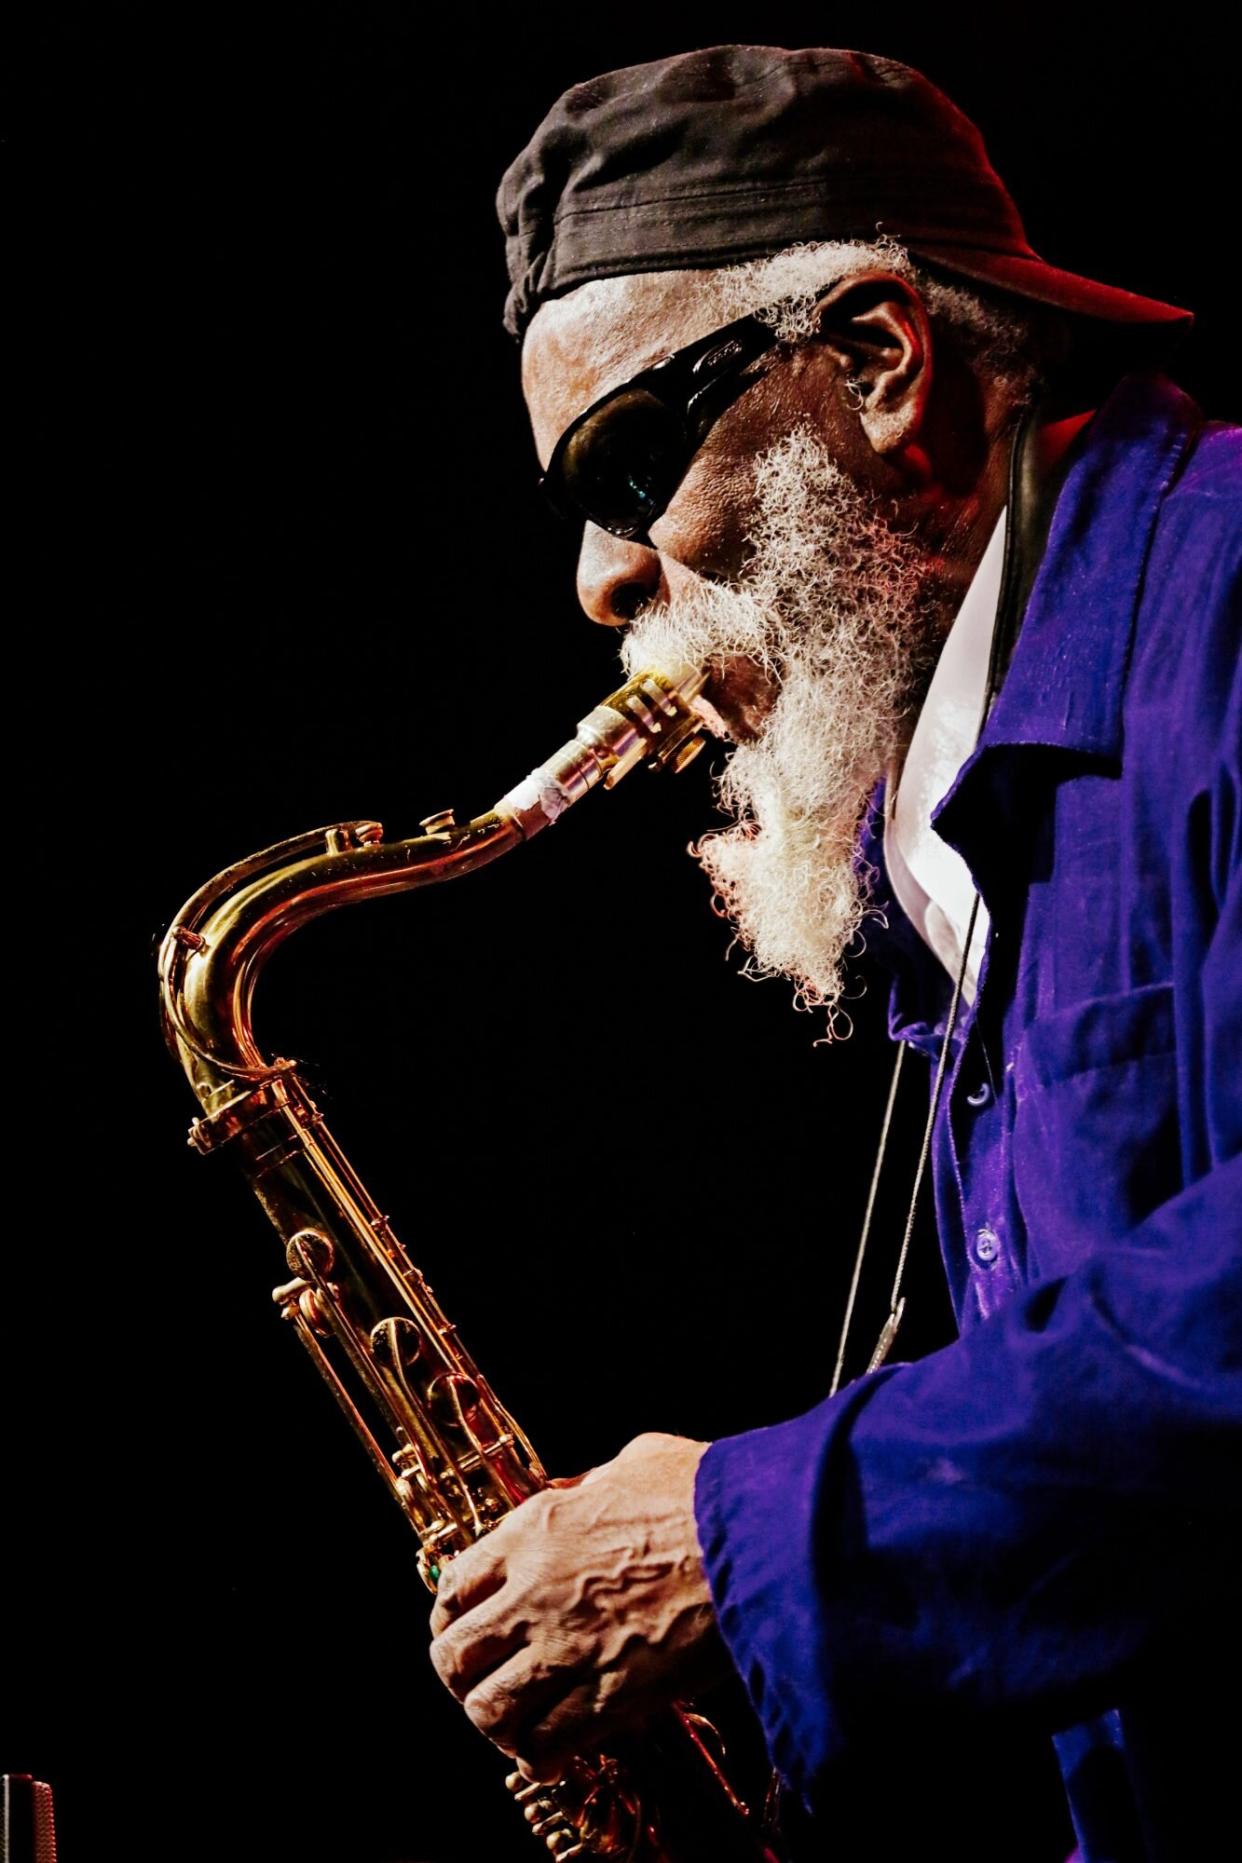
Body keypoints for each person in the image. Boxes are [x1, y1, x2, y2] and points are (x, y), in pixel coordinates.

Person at [427, 46, 1240, 1862]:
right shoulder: (954, 818)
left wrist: (747, 1540)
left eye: (631, 460)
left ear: (880, 360)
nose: (598, 581)